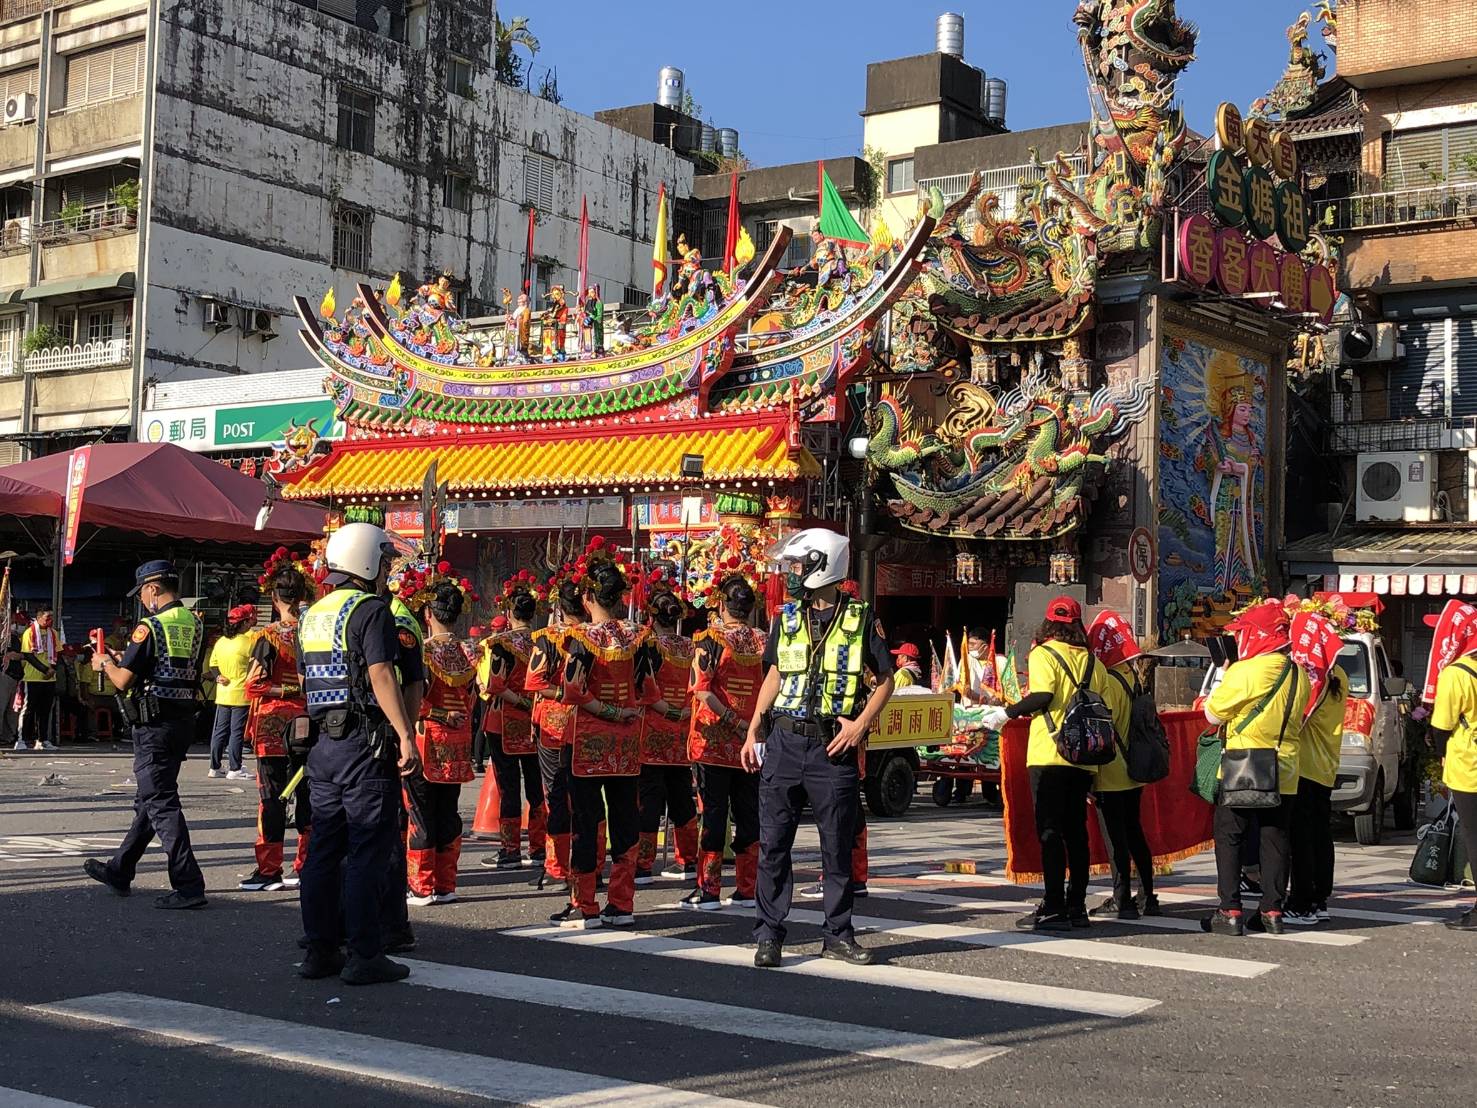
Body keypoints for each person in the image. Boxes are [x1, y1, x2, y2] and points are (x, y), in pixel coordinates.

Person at [745, 529, 894, 968]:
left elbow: (886, 679)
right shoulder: (785, 618)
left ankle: (838, 934)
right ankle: (769, 935)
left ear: (823, 565)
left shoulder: (862, 619)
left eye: (798, 566)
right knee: (773, 843)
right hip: (784, 741)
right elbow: (774, 675)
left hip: (833, 746)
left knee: (837, 846)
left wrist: (861, 725)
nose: (791, 574)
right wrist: (755, 727)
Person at [295, 523, 422, 984]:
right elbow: (382, 674)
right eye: (385, 562)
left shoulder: (312, 614)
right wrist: (405, 734)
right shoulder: (370, 609)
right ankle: (365, 954)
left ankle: (320, 950)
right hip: (364, 745)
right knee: (369, 847)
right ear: (367, 562)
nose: (389, 571)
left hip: (321, 747)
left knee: (324, 850)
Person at [83, 561, 208, 909]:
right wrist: (128, 661)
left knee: (161, 804)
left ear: (152, 589)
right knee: (150, 802)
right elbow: (174, 667)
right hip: (182, 723)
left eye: (141, 594)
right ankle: (119, 870)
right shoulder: (195, 624)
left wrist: (106, 663)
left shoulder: (149, 626)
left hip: (153, 727)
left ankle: (189, 885)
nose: (142, 601)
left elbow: (123, 681)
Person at [977, 597, 1103, 931]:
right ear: (1077, 625)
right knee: (1077, 833)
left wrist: (1006, 713)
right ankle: (1077, 906)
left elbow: (1043, 695)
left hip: (1049, 754)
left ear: (1048, 624)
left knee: (1049, 831)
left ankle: (1054, 906)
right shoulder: (1093, 661)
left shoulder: (1043, 653)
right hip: (1084, 757)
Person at [1200, 600, 1309, 936]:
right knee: (1275, 839)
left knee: (1230, 835)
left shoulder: (1247, 671)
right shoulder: (1298, 673)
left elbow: (1213, 713)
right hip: (1286, 765)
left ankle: (1229, 908)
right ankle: (1272, 911)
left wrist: (1225, 673)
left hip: (1245, 762)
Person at [557, 552, 647, 928]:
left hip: (588, 744)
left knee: (587, 822)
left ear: (588, 599)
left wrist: (607, 711)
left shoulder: (581, 638)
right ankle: (622, 903)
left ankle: (585, 904)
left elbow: (572, 690)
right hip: (626, 744)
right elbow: (647, 688)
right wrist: (624, 711)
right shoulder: (639, 637)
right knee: (625, 820)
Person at [684, 575, 764, 910]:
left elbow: (702, 690)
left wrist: (733, 721)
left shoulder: (708, 639)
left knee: (713, 814)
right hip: (753, 742)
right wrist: (751, 726)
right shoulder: (765, 641)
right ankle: (748, 887)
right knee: (749, 814)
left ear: (720, 603)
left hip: (714, 742)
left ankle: (709, 889)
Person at [239, 562, 313, 893]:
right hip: (309, 723)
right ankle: (307, 864)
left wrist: (284, 690)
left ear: (274, 596)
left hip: (273, 726)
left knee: (271, 796)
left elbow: (253, 686)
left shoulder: (267, 637)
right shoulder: (313, 633)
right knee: (308, 793)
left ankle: (269, 870)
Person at [403, 580, 476, 906]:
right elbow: (474, 698)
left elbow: (415, 701)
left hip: (427, 739)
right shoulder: (469, 652)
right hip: (459, 743)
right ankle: (446, 884)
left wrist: (441, 714)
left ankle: (421, 885)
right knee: (448, 810)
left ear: (428, 613)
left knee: (420, 811)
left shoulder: (425, 652)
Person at [1086, 610, 1159, 920]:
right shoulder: (1132, 675)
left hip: (1111, 771)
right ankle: (1147, 894)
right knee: (1135, 832)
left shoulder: (1106, 679)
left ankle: (1121, 898)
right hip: (1135, 771)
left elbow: (1102, 726)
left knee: (1115, 838)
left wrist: (1089, 775)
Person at [478, 582, 548, 870]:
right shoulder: (542, 643)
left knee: (509, 787)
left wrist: (519, 700)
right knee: (536, 786)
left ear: (509, 612)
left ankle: (510, 850)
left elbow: (495, 685)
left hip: (503, 721)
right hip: (534, 723)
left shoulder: (501, 644)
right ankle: (538, 846)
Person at [633, 583, 698, 886]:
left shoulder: (648, 646)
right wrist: (683, 713)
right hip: (684, 731)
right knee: (683, 796)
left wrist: (669, 711)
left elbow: (645, 691)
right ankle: (687, 860)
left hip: (653, 731)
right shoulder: (691, 646)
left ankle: (644, 864)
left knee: (650, 800)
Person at [1285, 609, 1347, 927]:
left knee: (1302, 839)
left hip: (1304, 768)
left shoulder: (1314, 680)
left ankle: (1302, 902)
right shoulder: (1340, 676)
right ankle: (1320, 899)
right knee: (1321, 835)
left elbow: (1296, 717)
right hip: (1326, 766)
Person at [1422, 600, 1477, 931]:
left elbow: (1441, 726)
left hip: (1469, 767)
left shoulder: (1457, 674)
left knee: (1475, 836)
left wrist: (1442, 753)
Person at [526, 580, 583, 892]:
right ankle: (591, 867)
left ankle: (558, 867)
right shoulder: (603, 636)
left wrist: (564, 694)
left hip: (556, 727)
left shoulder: (548, 638)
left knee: (557, 796)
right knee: (586, 801)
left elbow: (534, 681)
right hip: (593, 725)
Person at [205, 604, 255, 779]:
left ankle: (214, 767)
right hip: (241, 694)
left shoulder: (221, 642)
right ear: (243, 623)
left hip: (223, 693)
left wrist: (218, 676)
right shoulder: (249, 642)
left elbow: (213, 664)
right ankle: (235, 768)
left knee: (219, 731)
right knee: (236, 733)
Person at [18, 608, 60, 750]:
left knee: (45, 710)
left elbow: (57, 653)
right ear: (39, 618)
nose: (50, 620)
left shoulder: (54, 633)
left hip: (49, 679)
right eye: (48, 617)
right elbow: (28, 655)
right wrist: (44, 669)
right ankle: (22, 739)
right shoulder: (29, 632)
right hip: (33, 677)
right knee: (29, 709)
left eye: (52, 617)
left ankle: (42, 740)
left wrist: (52, 669)